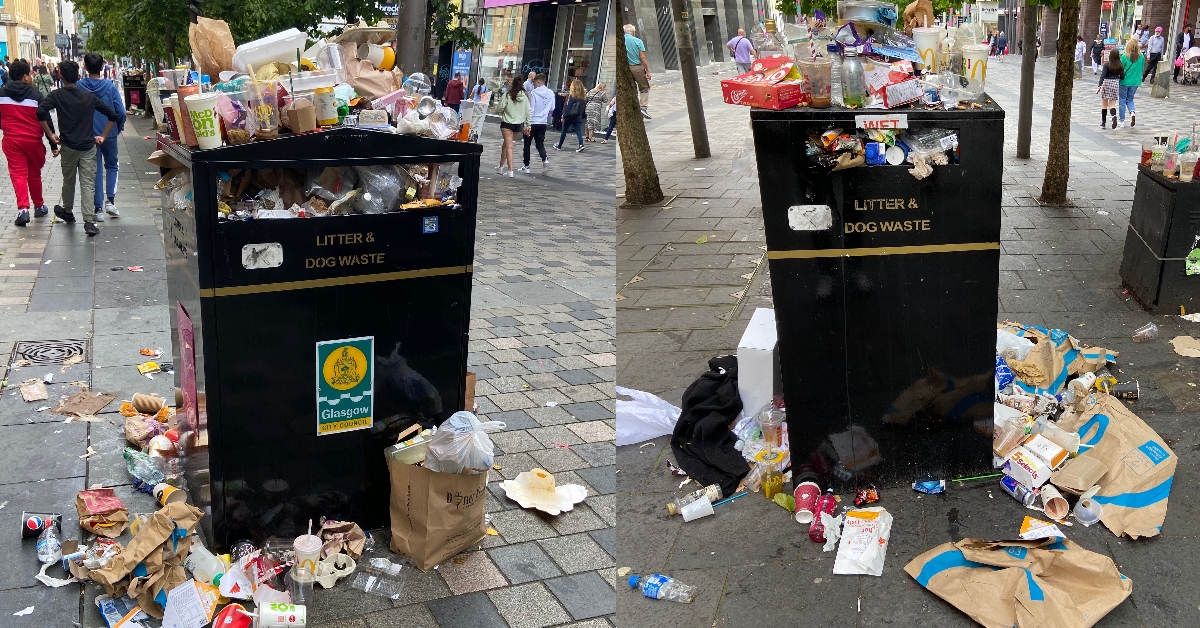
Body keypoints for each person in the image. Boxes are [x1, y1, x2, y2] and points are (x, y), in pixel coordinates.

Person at [35, 59, 119, 236]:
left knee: (69, 179)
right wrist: (103, 136)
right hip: (88, 146)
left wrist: (50, 134)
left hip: (68, 146)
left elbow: (40, 111)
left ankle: (68, 211)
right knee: (87, 182)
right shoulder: (88, 97)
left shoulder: (57, 95)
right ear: (78, 75)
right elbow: (113, 115)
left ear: (60, 75)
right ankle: (88, 221)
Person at [0, 60, 58, 226]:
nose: (32, 77)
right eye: (31, 74)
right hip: (33, 141)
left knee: (18, 174)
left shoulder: (1, 94)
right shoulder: (36, 96)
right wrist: (53, 145)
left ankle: (23, 210)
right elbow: (46, 120)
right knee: (34, 173)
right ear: (25, 77)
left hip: (11, 140)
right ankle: (39, 206)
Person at [78, 52, 126, 222]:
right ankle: (110, 201)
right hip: (109, 132)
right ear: (102, 67)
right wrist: (118, 127)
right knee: (112, 166)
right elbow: (120, 111)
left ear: (85, 67)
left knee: (95, 170)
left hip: (88, 135)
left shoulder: (79, 87)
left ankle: (97, 208)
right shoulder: (110, 87)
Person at [493, 76, 530, 178]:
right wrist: (528, 125)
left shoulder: (507, 95)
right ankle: (500, 167)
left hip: (507, 123)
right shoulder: (525, 97)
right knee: (506, 144)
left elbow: (500, 108)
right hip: (518, 124)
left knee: (508, 146)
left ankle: (510, 170)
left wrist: (501, 111)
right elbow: (528, 112)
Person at [521, 73, 554, 173]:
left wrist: (527, 124)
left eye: (534, 83)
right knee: (540, 144)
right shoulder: (551, 93)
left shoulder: (533, 93)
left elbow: (531, 109)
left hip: (533, 122)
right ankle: (545, 159)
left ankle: (526, 166)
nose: (533, 85)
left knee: (527, 144)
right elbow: (552, 108)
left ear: (538, 82)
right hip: (543, 122)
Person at [624, 24, 652, 119]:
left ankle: (631, 109)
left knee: (630, 88)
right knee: (644, 87)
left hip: (625, 68)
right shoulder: (637, 41)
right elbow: (642, 57)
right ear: (633, 32)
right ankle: (643, 108)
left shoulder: (621, 41)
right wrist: (647, 71)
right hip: (636, 67)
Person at [555, 79, 587, 152]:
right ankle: (581, 145)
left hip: (570, 116)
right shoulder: (583, 97)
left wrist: (564, 116)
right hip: (577, 116)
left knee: (564, 131)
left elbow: (568, 107)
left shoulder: (572, 96)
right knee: (578, 131)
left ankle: (559, 145)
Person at [1119, 38, 1144, 127]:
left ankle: (1122, 121)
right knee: (1130, 99)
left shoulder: (1125, 56)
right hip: (1136, 82)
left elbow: (1120, 69)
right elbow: (1142, 68)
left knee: (1122, 100)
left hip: (1124, 81)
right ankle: (1132, 112)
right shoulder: (1141, 56)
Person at [1097, 48, 1123, 129]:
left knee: (1104, 104)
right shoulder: (1120, 65)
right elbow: (1122, 77)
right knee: (1112, 104)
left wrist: (1099, 86)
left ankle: (1103, 122)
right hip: (1115, 83)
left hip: (1107, 83)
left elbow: (1103, 76)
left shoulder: (1107, 65)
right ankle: (1113, 115)